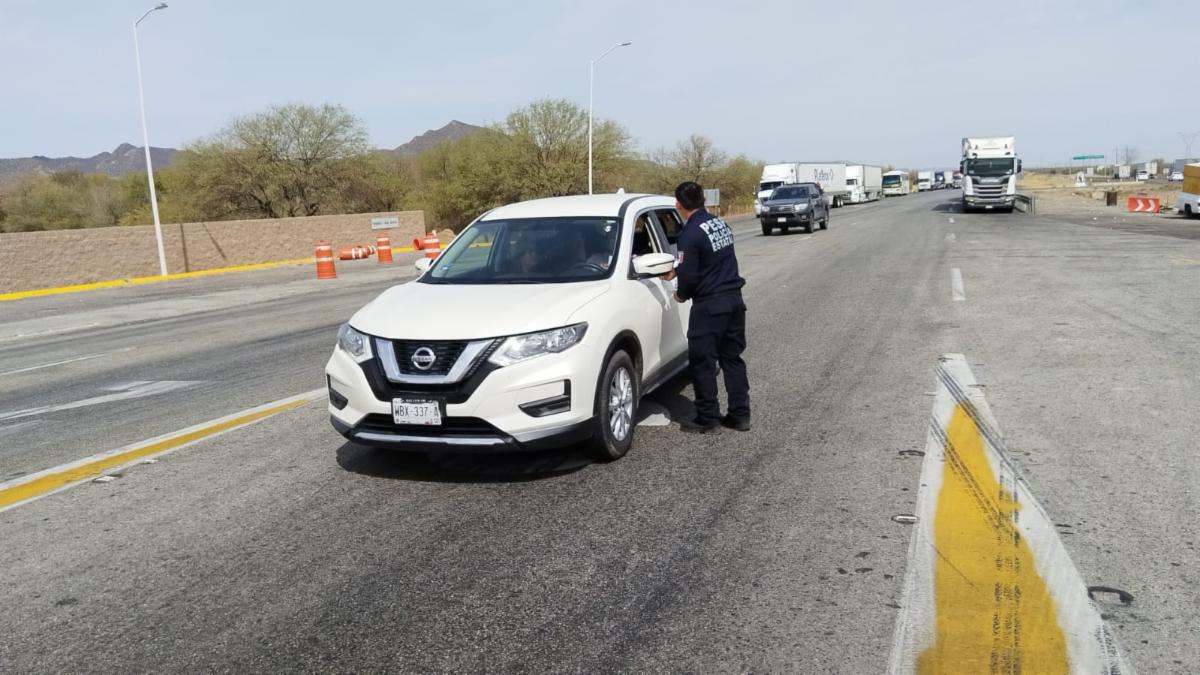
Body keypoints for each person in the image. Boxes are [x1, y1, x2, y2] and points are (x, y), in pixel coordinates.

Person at [669, 181, 751, 433]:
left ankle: (708, 418)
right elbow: (711, 260)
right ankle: (740, 416)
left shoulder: (689, 235)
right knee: (732, 360)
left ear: (678, 205)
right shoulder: (719, 224)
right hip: (734, 301)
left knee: (703, 363)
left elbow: (690, 277)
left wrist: (682, 295)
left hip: (710, 306)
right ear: (702, 200)